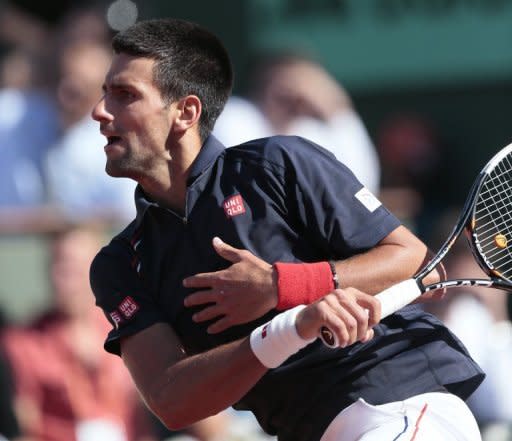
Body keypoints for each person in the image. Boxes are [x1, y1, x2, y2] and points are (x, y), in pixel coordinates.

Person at [90, 18, 484, 441]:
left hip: (396, 398)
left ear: (185, 112)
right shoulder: (120, 264)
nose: (100, 111)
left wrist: (284, 286)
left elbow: (412, 259)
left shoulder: (280, 162)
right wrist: (292, 327)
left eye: (125, 95)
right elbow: (172, 400)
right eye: (105, 93)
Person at [1, 225, 155, 441]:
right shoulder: (23, 343)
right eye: (56, 266)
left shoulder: (130, 331)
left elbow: (145, 420)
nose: (61, 279)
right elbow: (25, 429)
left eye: (72, 269)